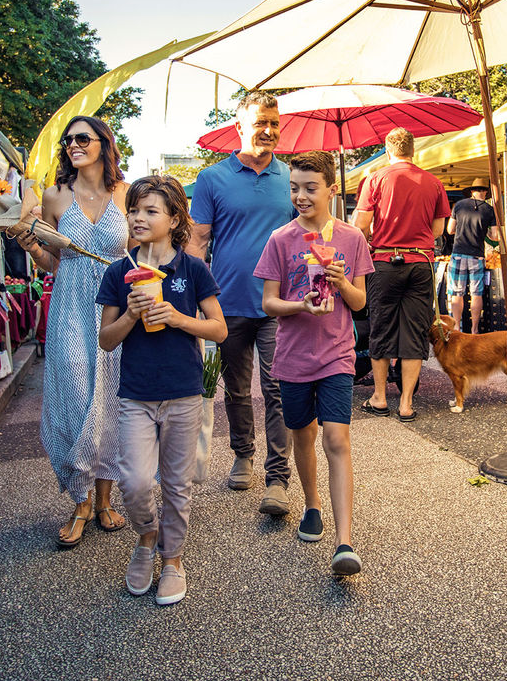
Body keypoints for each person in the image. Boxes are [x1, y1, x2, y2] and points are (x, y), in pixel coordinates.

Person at [97, 175, 226, 605]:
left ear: (174, 219)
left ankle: (172, 559)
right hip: (135, 394)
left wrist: (177, 318)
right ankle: (147, 536)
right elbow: (106, 339)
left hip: (184, 392)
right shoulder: (119, 271)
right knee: (133, 483)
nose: (137, 218)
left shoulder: (192, 270)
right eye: (133, 210)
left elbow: (219, 329)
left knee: (176, 483)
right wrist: (132, 315)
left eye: (150, 211)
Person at [254, 152, 373, 577]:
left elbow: (361, 303)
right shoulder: (280, 239)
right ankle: (311, 504)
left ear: (330, 190)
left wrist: (341, 283)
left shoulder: (351, 238)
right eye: (294, 188)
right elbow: (268, 303)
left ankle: (345, 542)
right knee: (302, 436)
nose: (300, 196)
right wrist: (299, 304)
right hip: (293, 358)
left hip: (337, 354)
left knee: (337, 440)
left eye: (310, 188)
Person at [15, 115, 130, 548]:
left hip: (114, 306)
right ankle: (80, 499)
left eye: (83, 138)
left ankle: (104, 498)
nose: (73, 146)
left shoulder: (125, 192)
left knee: (112, 398)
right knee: (79, 393)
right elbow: (55, 262)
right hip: (70, 307)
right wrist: (31, 247)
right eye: (69, 141)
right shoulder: (54, 196)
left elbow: (140, 251)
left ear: (104, 143)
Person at [188, 92, 295, 516]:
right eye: (260, 123)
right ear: (239, 127)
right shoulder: (212, 179)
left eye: (274, 122)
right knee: (234, 387)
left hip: (277, 303)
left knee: (277, 389)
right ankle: (242, 453)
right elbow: (198, 240)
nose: (268, 130)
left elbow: (306, 235)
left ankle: (277, 476)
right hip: (226, 301)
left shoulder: (291, 176)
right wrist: (192, 296)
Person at [353, 127, 450, 421]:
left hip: (384, 261)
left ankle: (380, 398)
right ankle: (406, 403)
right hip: (421, 263)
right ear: (413, 149)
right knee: (414, 331)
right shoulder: (433, 183)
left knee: (381, 328)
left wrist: (373, 237)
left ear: (387, 149)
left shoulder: (376, 179)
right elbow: (438, 231)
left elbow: (360, 225)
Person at [446, 178, 499, 334]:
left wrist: (461, 229)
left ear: (471, 191)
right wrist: (484, 232)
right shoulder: (489, 210)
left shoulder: (459, 206)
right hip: (477, 256)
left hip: (458, 254)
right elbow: (495, 236)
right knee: (476, 294)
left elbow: (450, 229)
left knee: (457, 293)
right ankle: (474, 330)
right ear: (485, 192)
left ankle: (456, 327)